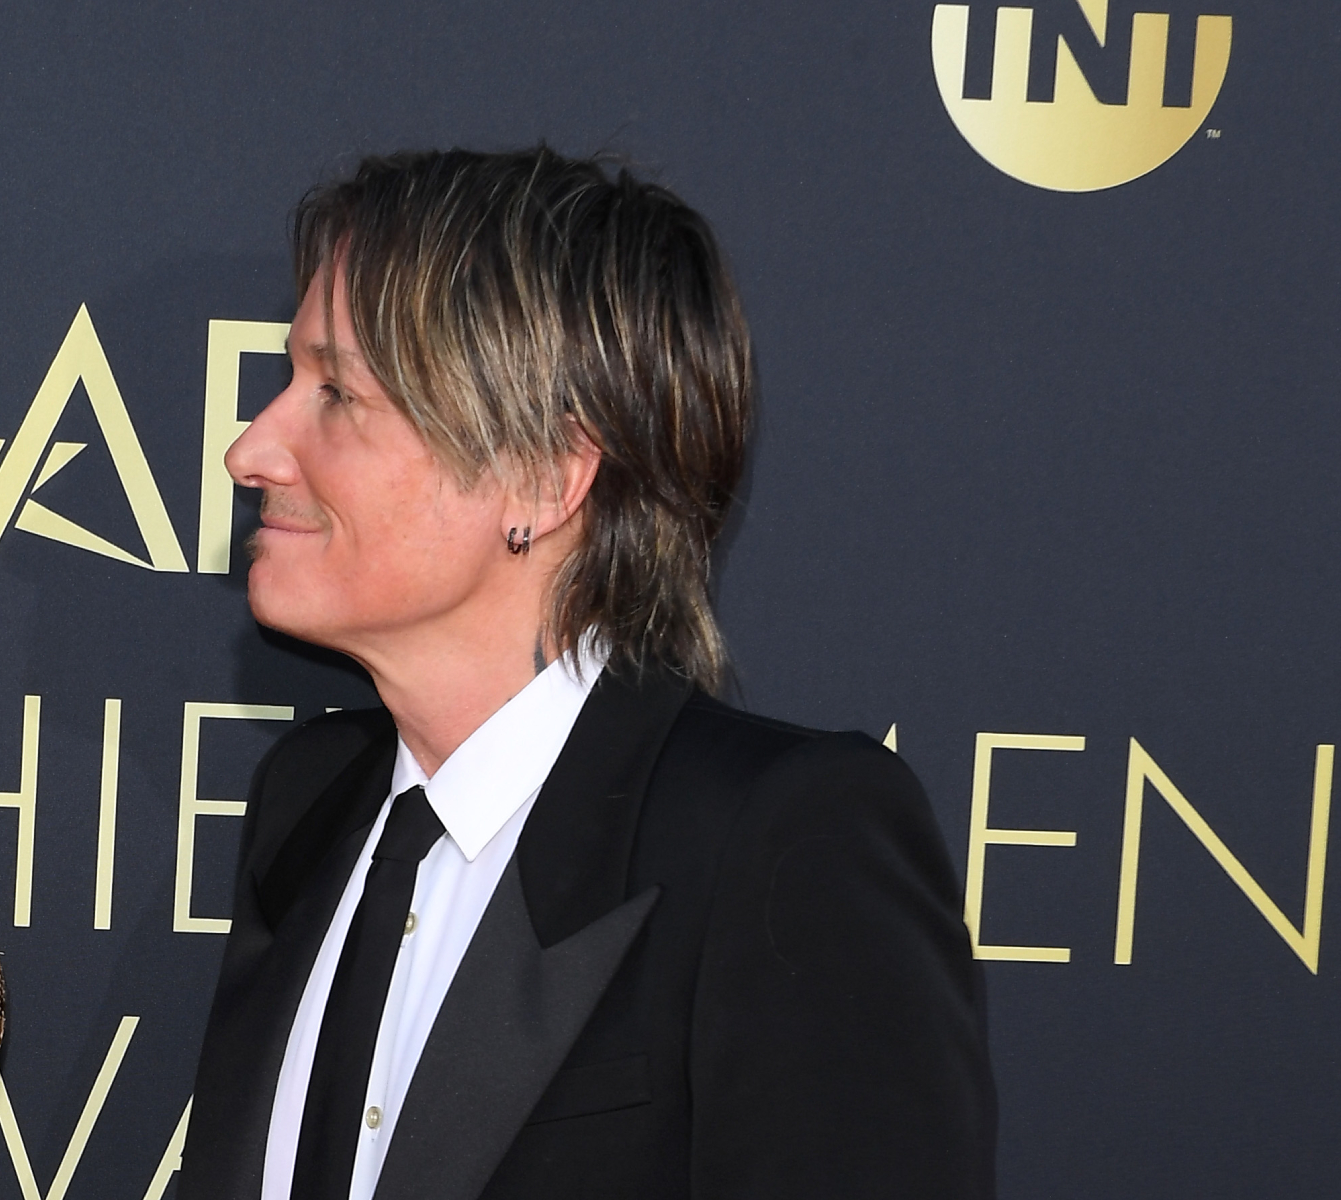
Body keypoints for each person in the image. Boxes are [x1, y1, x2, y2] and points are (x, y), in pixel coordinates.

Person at [183, 146, 995, 1199]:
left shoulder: (781, 842)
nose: (253, 447)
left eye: (337, 392)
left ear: (547, 476)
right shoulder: (308, 805)